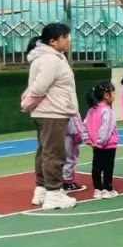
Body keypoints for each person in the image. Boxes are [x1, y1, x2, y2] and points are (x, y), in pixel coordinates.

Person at [22, 24, 80, 211]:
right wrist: (28, 101)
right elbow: (39, 87)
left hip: (47, 111)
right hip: (52, 112)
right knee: (54, 152)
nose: (68, 40)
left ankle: (42, 189)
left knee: (45, 150)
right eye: (64, 37)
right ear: (52, 41)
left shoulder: (47, 57)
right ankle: (54, 193)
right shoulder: (51, 60)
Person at [84, 80, 120, 200]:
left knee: (96, 166)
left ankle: (97, 190)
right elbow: (106, 129)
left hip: (95, 145)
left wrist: (89, 140)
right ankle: (107, 189)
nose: (114, 95)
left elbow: (84, 126)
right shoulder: (107, 111)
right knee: (108, 167)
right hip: (107, 145)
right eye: (113, 92)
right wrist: (100, 142)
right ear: (106, 95)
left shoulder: (91, 110)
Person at [62, 112, 86, 192]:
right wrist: (78, 135)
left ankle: (62, 180)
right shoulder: (71, 107)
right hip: (70, 136)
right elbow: (74, 121)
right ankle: (68, 182)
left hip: (61, 134)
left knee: (63, 158)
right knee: (71, 159)